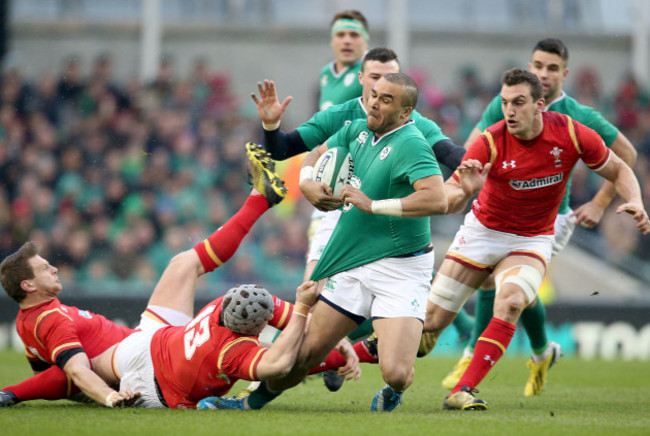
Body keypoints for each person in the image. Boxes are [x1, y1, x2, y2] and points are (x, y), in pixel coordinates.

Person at [199, 72, 466, 413]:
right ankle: (249, 403)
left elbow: (436, 200)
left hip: (401, 267)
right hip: (351, 259)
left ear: (404, 113)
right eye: (374, 94)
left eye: (386, 99)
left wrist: (373, 205)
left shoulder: (412, 143)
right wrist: (309, 182)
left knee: (397, 373)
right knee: (303, 353)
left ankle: (392, 387)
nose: (374, 102)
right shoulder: (355, 129)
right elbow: (317, 153)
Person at [0, 143, 298, 407]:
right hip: (141, 359)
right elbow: (69, 375)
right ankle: (336, 352)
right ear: (27, 285)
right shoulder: (50, 319)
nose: (53, 268)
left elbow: (48, 375)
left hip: (146, 340)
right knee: (255, 353)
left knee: (182, 265)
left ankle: (260, 197)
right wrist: (15, 393)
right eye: (43, 268)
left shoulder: (27, 322)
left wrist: (21, 392)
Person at [424, 68, 649, 411]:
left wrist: (629, 200)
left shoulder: (574, 130)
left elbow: (620, 165)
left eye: (518, 103)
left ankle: (464, 387)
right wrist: (456, 192)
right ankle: (333, 357)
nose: (509, 110)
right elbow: (454, 189)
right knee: (430, 325)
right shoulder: (491, 136)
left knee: (512, 299)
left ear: (540, 104)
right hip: (483, 233)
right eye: (504, 103)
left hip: (534, 236)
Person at [253, 47, 472, 357]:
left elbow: (449, 153)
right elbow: (284, 149)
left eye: (389, 78)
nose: (381, 85)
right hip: (335, 215)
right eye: (375, 78)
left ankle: (338, 351)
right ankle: (294, 362)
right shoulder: (341, 116)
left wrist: (485, 163)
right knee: (312, 294)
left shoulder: (411, 121)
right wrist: (278, 137)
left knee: (377, 293)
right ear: (361, 79)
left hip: (385, 224)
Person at [318, 9, 369, 110]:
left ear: (366, 40)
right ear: (332, 41)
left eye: (354, 35)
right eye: (340, 35)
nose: (347, 41)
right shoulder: (326, 73)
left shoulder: (374, 70)